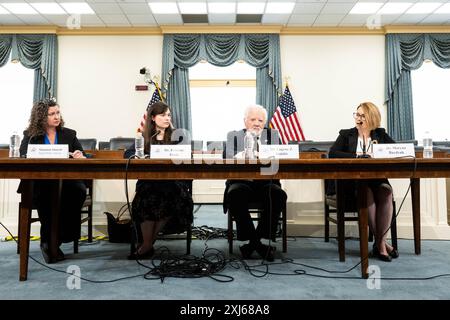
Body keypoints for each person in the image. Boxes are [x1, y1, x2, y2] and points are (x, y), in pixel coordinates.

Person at [328, 102, 399, 262]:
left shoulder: (380, 135)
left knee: (386, 191)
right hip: (352, 182)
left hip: (377, 179)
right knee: (365, 191)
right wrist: (357, 157)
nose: (358, 118)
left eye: (362, 116)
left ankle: (379, 242)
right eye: (357, 114)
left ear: (372, 118)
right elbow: (333, 153)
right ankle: (381, 246)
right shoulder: (347, 134)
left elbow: (395, 150)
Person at [18, 98, 87, 264]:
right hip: (41, 182)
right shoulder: (30, 135)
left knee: (79, 190)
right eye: (51, 114)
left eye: (57, 112)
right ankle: (49, 241)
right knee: (46, 192)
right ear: (41, 117)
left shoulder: (69, 134)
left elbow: (82, 155)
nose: (56, 117)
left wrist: (79, 156)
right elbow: (22, 155)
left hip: (67, 183)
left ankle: (57, 239)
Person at [125, 101, 193, 259]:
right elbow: (128, 155)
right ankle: (148, 245)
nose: (167, 118)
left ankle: (147, 245)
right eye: (163, 115)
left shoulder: (178, 136)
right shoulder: (145, 136)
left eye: (169, 115)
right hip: (149, 183)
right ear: (153, 118)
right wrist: (144, 156)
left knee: (169, 197)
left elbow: (188, 156)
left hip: (173, 183)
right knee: (148, 198)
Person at [223, 104, 287, 262]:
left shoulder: (273, 136)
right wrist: (247, 154)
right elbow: (227, 157)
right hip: (241, 182)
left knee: (278, 194)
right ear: (245, 121)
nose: (257, 123)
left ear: (265, 122)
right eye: (253, 119)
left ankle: (253, 243)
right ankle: (258, 243)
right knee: (235, 194)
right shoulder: (234, 136)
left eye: (260, 120)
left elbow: (281, 158)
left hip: (266, 182)